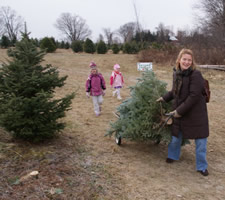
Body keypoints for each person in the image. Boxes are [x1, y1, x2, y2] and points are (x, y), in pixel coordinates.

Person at [157, 49, 209, 176]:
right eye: (184, 59)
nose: (186, 62)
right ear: (179, 60)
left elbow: (194, 96)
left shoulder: (196, 75)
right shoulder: (177, 73)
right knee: (176, 136)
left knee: (200, 141)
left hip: (196, 113)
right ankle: (173, 156)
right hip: (181, 109)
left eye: (189, 60)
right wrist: (164, 98)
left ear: (192, 62)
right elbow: (174, 91)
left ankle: (202, 166)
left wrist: (179, 111)